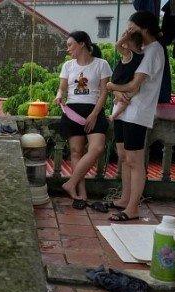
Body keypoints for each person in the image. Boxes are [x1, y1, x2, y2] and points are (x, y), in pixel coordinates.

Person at [106, 11, 165, 221]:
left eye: (132, 27)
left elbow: (134, 84)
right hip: (125, 110)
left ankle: (132, 209)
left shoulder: (154, 51)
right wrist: (116, 90)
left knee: (134, 160)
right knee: (123, 156)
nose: (129, 31)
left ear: (144, 29)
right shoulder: (140, 50)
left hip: (138, 112)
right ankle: (124, 199)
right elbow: (125, 77)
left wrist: (112, 86)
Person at [54, 31, 112, 210]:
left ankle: (70, 183)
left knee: (97, 148)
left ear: (82, 44)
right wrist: (58, 96)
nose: (68, 49)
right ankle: (81, 194)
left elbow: (104, 92)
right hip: (73, 110)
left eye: (70, 45)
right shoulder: (68, 66)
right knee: (76, 152)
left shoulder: (101, 64)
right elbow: (62, 87)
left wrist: (94, 114)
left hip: (94, 110)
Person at [108, 30, 144, 122]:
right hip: (127, 82)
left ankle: (114, 115)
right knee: (124, 99)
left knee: (124, 100)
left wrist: (125, 37)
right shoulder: (142, 54)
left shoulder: (129, 53)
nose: (123, 42)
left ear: (128, 42)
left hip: (123, 82)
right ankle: (115, 108)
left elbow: (117, 45)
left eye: (125, 40)